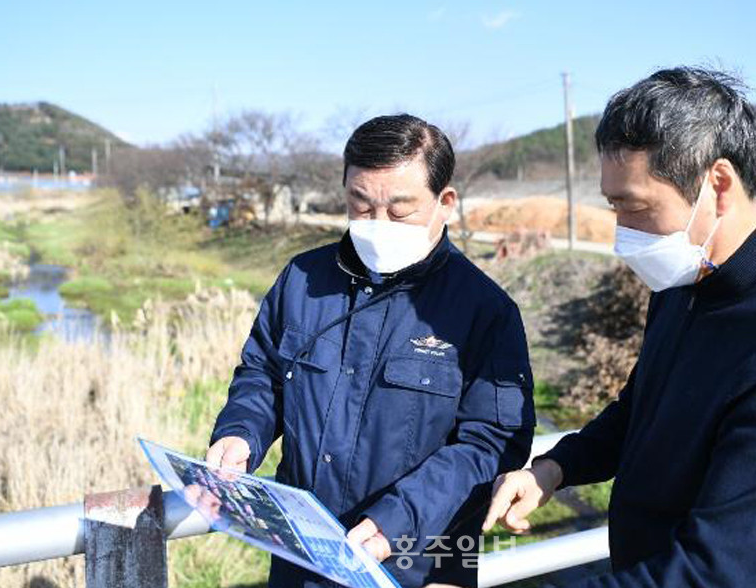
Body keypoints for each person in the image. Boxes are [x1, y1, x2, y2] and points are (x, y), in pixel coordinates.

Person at [483, 68, 756, 587]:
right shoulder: (686, 284)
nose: (622, 233)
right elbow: (641, 409)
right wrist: (556, 468)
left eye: (638, 208)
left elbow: (711, 572)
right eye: (614, 207)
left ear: (717, 184)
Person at [208, 113, 536, 588]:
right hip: (303, 552)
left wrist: (399, 518)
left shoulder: (484, 310)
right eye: (360, 206)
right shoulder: (303, 280)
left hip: (419, 557)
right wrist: (242, 433)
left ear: (445, 203)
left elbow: (491, 442)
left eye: (399, 211)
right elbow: (262, 373)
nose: (378, 223)